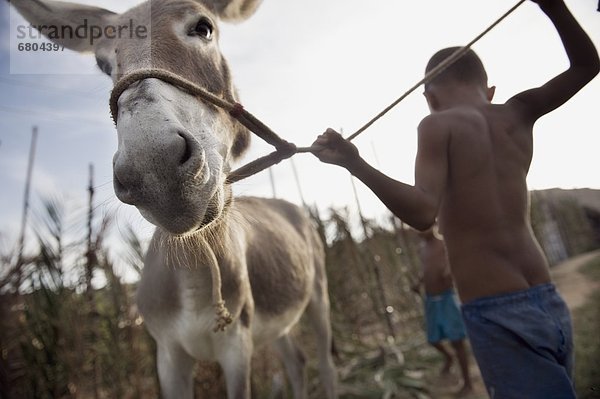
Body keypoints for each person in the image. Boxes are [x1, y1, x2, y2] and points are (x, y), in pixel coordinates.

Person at [311, 0, 599, 397]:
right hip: (548, 300)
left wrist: (354, 163)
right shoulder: (517, 111)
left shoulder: (437, 124)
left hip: (497, 311)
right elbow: (587, 65)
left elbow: (422, 211)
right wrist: (553, 7)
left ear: (429, 97)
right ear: (490, 89)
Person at [412, 226, 473, 397]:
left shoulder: (444, 244)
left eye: (422, 227)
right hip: (431, 299)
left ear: (432, 226)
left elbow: (456, 263)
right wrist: (418, 283)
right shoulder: (423, 250)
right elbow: (426, 271)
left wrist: (449, 272)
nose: (419, 232)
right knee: (432, 339)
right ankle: (448, 357)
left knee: (457, 341)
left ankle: (467, 382)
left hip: (447, 297)